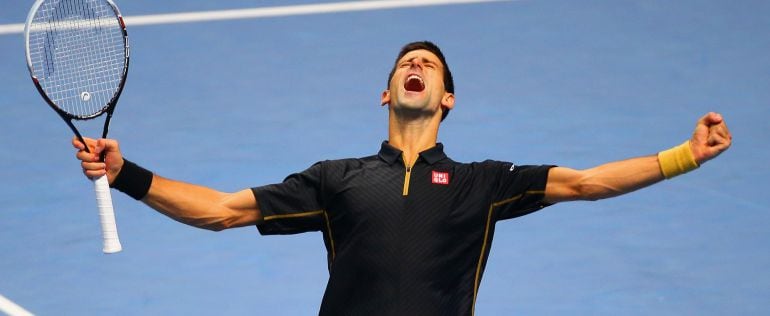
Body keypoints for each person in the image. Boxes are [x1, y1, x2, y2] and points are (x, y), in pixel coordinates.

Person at [74, 41, 732, 315]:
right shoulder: (336, 179)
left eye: (430, 65)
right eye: (405, 63)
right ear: (385, 93)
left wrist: (685, 155)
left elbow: (588, 182)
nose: (416, 64)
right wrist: (127, 173)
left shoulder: (486, 182)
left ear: (447, 98)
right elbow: (220, 210)